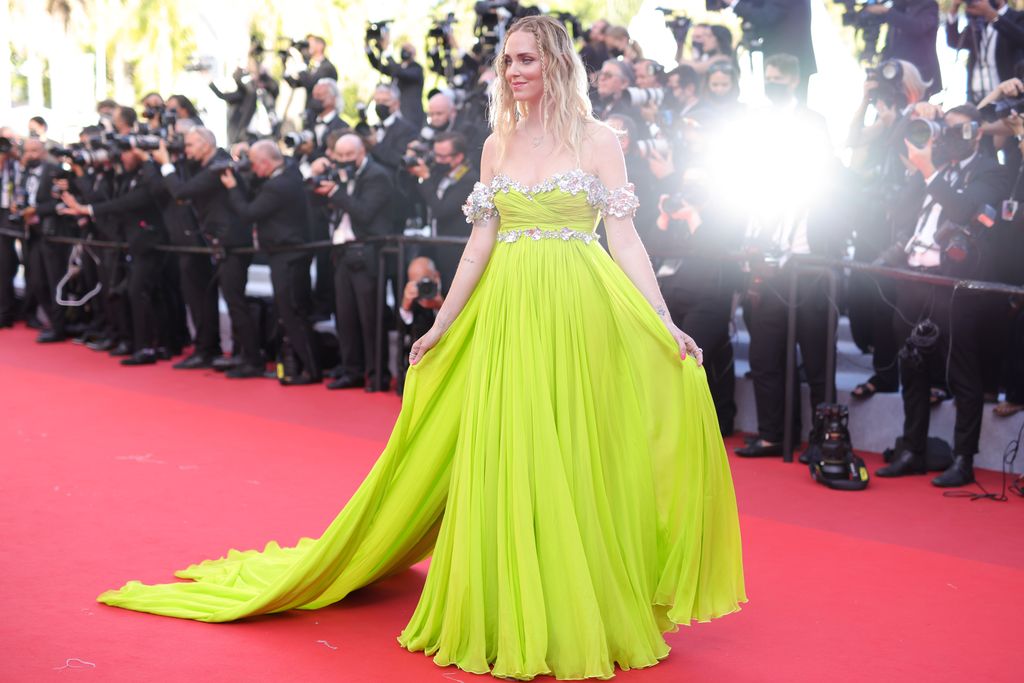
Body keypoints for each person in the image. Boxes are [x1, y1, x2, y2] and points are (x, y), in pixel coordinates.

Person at [96, 16, 746, 681]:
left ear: (555, 61)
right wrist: (441, 324)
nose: (515, 71)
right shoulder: (497, 144)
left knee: (574, 446)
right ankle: (506, 601)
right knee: (514, 447)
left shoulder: (601, 139)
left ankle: (581, 597)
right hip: (508, 312)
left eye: (526, 59)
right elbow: (480, 244)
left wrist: (662, 320)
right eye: (507, 62)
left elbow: (626, 238)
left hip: (581, 308)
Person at [875, 103, 1010, 487]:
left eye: (958, 130)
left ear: (977, 133)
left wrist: (930, 171)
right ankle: (912, 450)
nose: (949, 137)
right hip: (914, 277)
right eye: (944, 129)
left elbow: (967, 210)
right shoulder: (932, 166)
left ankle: (964, 458)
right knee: (911, 366)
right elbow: (900, 204)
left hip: (954, 284)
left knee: (962, 373)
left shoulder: (990, 171)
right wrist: (913, 120)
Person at [222, 141, 320, 385]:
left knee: (293, 313)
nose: (252, 169)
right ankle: (304, 366)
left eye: (254, 164)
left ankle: (311, 369)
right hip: (288, 254)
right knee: (292, 312)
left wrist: (234, 187)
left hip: (287, 255)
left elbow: (248, 213)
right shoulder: (290, 172)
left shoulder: (278, 186)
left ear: (266, 162)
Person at [314, 134, 395, 391]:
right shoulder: (340, 174)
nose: (346, 160)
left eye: (350, 155)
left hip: (367, 253)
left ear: (362, 152)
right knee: (345, 318)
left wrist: (337, 192)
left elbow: (365, 213)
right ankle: (352, 371)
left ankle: (377, 374)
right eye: (341, 155)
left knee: (370, 319)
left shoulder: (377, 175)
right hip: (343, 253)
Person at [732, 0, 816, 102]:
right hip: (785, 57)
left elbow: (767, 16)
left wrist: (734, 3)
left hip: (788, 60)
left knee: (792, 105)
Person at [945, 0, 1024, 104]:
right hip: (976, 99)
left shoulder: (1018, 17)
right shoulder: (978, 22)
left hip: (1007, 99)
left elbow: (1020, 38)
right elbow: (954, 42)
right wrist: (954, 8)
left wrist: (991, 14)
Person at [868, 0, 943, 98]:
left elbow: (918, 27)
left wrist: (887, 11)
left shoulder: (929, 5)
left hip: (917, 77)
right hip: (892, 74)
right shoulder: (897, 7)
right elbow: (891, 44)